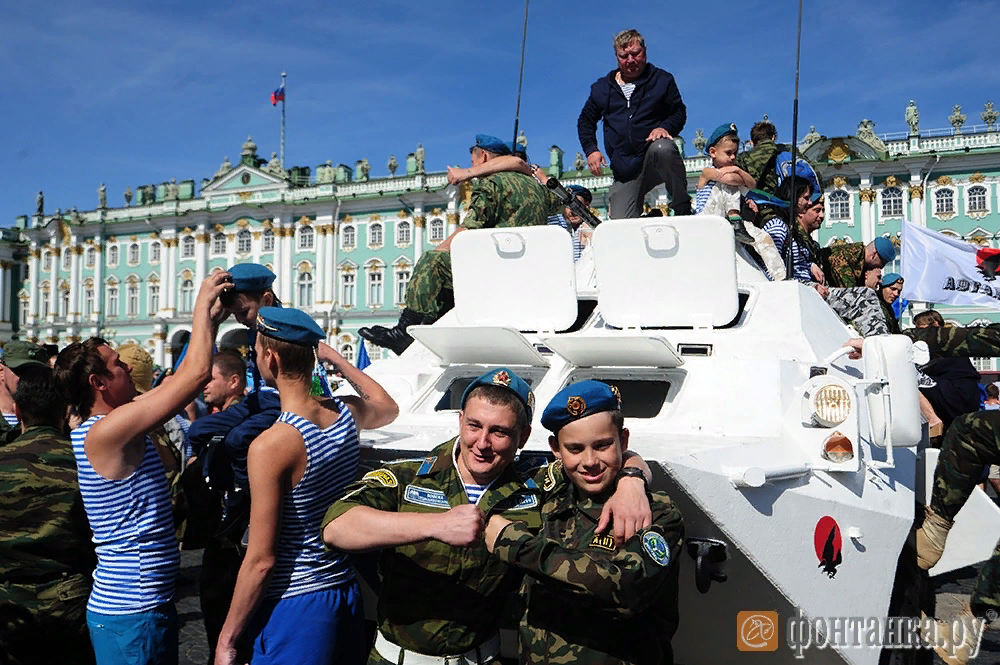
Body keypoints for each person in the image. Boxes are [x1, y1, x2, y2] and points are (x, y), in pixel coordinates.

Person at [322, 367, 653, 665]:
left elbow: (598, 456)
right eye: (474, 426)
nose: (482, 443)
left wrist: (632, 482)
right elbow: (337, 527)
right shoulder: (407, 477)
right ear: (461, 420)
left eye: (500, 432)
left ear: (522, 437)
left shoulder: (537, 484)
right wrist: (436, 525)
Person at [54, 271, 230, 665]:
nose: (129, 370)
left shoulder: (114, 422)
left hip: (143, 605)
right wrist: (201, 306)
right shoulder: (105, 431)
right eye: (118, 365)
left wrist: (212, 323)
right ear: (98, 382)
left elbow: (184, 379)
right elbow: (195, 375)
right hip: (131, 610)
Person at [215, 307, 398, 665]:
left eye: (255, 352)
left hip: (294, 602)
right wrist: (337, 360)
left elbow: (262, 561)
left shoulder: (271, 446)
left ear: (270, 357)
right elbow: (388, 408)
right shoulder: (346, 414)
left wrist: (227, 638)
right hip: (342, 590)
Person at [484, 380, 683, 665]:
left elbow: (622, 591)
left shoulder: (656, 513)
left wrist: (516, 546)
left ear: (623, 441)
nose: (590, 461)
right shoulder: (549, 489)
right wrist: (633, 474)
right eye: (575, 449)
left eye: (602, 446)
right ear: (556, 449)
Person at [360, 135, 561, 354]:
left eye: (473, 160)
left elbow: (470, 231)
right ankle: (431, 324)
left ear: (483, 156)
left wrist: (440, 250)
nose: (472, 166)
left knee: (433, 262)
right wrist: (538, 175)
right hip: (528, 273)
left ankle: (404, 332)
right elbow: (560, 202)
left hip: (496, 273)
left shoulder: (491, 184)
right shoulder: (537, 189)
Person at [0, 365, 97, 665]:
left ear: (17, 410)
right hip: (70, 598)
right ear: (66, 411)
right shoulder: (86, 462)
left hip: (9, 602)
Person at [578, 29, 689, 219]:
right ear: (616, 57)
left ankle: (682, 207)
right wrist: (591, 149)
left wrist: (665, 128)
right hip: (626, 170)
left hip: (654, 158)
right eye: (624, 56)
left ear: (645, 51)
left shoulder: (662, 80)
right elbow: (585, 120)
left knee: (663, 148)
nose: (631, 60)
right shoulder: (602, 88)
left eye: (636, 53)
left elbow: (679, 112)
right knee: (620, 224)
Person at [764, 181, 890, 336]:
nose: (809, 202)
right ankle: (878, 343)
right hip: (798, 290)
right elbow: (771, 267)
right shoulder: (778, 226)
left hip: (806, 289)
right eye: (806, 198)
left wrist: (810, 265)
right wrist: (808, 286)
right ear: (793, 198)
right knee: (864, 298)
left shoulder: (792, 231)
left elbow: (794, 260)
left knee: (866, 296)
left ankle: (878, 341)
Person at [694, 123, 754, 215]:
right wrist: (740, 178)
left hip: (722, 218)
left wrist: (738, 170)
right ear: (713, 152)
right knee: (730, 186)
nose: (733, 157)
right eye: (728, 153)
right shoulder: (707, 172)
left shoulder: (734, 170)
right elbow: (729, 179)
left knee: (734, 187)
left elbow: (753, 184)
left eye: (735, 153)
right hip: (705, 217)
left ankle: (734, 218)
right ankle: (734, 215)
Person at [0, 341, 50, 446]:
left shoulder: (50, 415)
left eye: (36, 372)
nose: (28, 377)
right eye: (21, 371)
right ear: (1, 371)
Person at [547, 184, 594, 261]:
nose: (572, 211)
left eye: (576, 206)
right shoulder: (562, 227)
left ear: (586, 206)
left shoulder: (586, 227)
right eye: (568, 206)